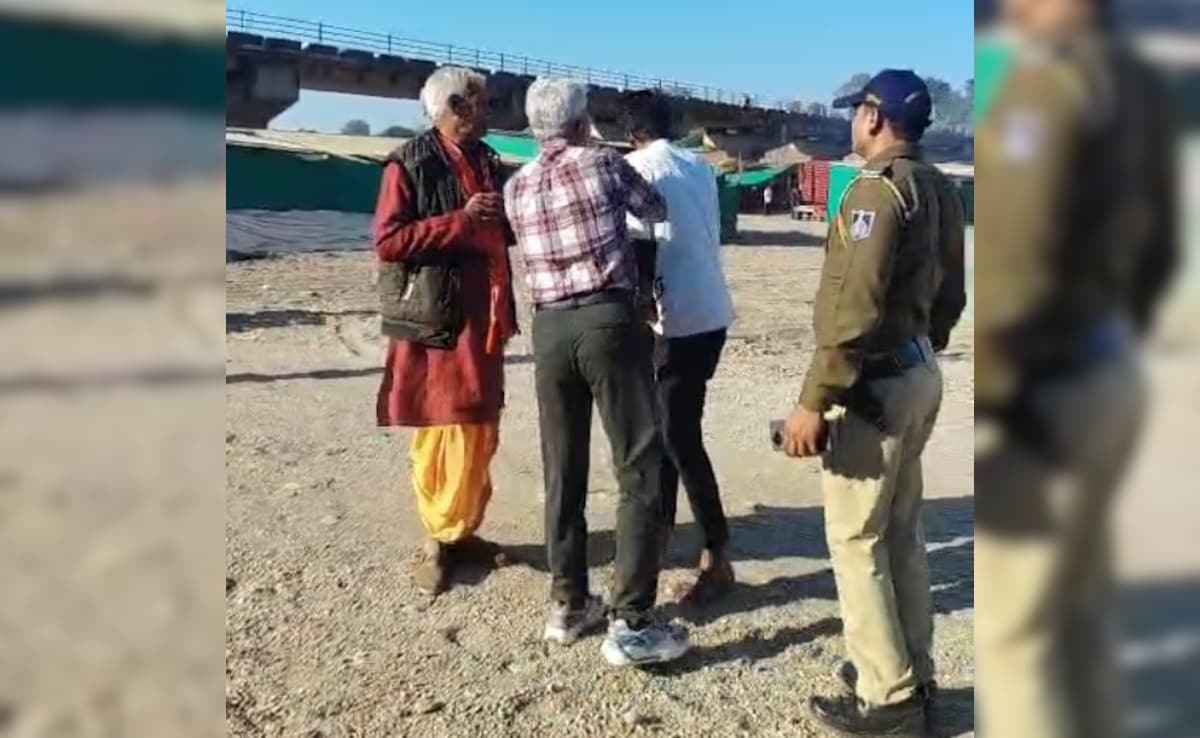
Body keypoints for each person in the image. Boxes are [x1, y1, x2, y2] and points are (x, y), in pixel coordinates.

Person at [975, 1, 1178, 736]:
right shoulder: (1133, 87)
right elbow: (1160, 248)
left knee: (1014, 642)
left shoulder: (1039, 86)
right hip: (1109, 363)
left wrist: (995, 399)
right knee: (1084, 613)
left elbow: (1012, 262)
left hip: (1041, 393)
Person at [780, 69, 966, 736]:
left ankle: (888, 699)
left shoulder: (875, 190)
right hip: (917, 370)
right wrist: (921, 345)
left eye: (856, 111)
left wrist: (814, 401)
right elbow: (951, 294)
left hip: (875, 383)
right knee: (901, 532)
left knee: (857, 538)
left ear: (875, 116)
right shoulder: (937, 185)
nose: (851, 123)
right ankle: (913, 671)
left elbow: (851, 311)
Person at [504, 78, 690, 667]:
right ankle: (632, 620)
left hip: (549, 328)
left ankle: (569, 602)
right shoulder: (604, 165)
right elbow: (654, 209)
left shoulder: (516, 185)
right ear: (582, 121)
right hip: (607, 320)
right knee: (638, 463)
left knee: (563, 467)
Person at [372, 66, 517, 595]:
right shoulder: (407, 163)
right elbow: (389, 241)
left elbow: (503, 229)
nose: (489, 111)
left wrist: (503, 220)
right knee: (443, 425)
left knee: (480, 425)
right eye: (482, 103)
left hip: (487, 317)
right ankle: (438, 538)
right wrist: (461, 220)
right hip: (439, 319)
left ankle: (464, 529)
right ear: (455, 108)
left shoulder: (488, 160)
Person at [622, 90, 737, 605]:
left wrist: (640, 302)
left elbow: (642, 242)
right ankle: (663, 532)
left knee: (678, 434)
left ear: (631, 132)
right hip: (710, 310)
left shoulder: (636, 168)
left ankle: (717, 551)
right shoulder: (699, 167)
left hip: (675, 319)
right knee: (668, 427)